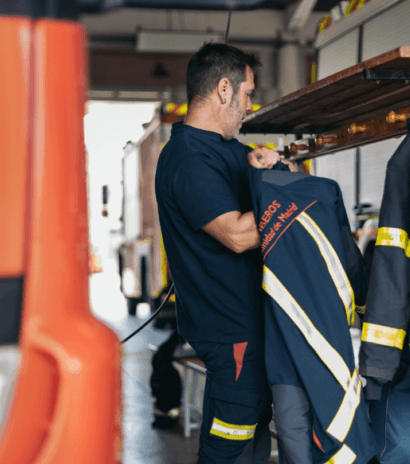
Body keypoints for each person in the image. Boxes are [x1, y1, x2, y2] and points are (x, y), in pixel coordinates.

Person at [155, 42, 295, 464]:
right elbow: (236, 234)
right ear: (222, 89)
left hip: (251, 323)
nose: (249, 105)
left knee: (251, 435)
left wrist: (274, 172)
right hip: (228, 328)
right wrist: (298, 200)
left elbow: (265, 187)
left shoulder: (229, 150)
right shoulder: (189, 158)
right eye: (247, 93)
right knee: (229, 443)